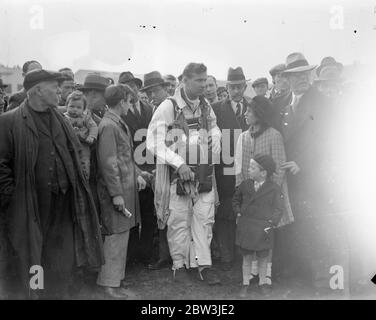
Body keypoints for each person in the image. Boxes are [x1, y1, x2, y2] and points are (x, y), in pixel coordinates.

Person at [0, 69, 104, 299]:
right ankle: (36, 293)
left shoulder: (61, 119)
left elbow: (75, 150)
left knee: (62, 257)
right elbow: (1, 166)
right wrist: (13, 197)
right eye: (54, 86)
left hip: (65, 202)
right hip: (31, 207)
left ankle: (56, 293)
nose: (60, 90)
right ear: (37, 90)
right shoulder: (9, 121)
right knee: (33, 256)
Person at [147, 62, 222, 285]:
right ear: (185, 80)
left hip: (204, 172)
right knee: (179, 219)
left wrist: (216, 137)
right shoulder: (168, 106)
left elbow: (215, 127)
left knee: (203, 219)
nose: (204, 85)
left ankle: (202, 265)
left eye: (205, 80)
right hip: (178, 176)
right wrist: (179, 163)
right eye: (198, 81)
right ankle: (179, 265)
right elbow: (153, 142)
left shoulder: (206, 105)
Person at [234, 95, 294, 288]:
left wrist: (267, 194)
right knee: (251, 232)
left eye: (249, 111)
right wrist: (246, 194)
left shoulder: (274, 135)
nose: (245, 114)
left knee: (266, 234)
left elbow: (279, 169)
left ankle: (265, 273)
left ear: (259, 114)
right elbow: (241, 170)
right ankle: (252, 271)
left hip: (269, 197)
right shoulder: (243, 137)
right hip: (250, 198)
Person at [96, 84, 146, 299]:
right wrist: (116, 194)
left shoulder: (116, 123)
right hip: (117, 192)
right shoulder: (109, 126)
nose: (131, 104)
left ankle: (115, 279)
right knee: (115, 236)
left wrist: (140, 174)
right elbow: (109, 164)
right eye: (129, 100)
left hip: (124, 190)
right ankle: (108, 284)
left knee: (121, 234)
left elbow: (124, 158)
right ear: (121, 101)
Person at [211, 67, 250, 271]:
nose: (236, 91)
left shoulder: (252, 107)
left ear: (244, 86)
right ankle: (226, 255)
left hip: (247, 168)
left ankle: (244, 254)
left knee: (246, 209)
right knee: (225, 211)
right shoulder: (216, 108)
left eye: (239, 86)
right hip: (224, 168)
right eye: (232, 87)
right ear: (227, 87)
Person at [118, 71, 158, 267]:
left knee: (149, 213)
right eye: (126, 86)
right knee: (131, 215)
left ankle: (146, 253)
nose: (131, 89)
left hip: (150, 168)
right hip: (130, 168)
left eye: (134, 85)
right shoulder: (120, 114)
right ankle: (131, 256)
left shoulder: (149, 109)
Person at [233, 154, 283, 297]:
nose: (248, 170)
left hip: (263, 229)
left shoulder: (274, 188)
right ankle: (245, 283)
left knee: (263, 258)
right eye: (249, 167)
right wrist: (238, 213)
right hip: (247, 226)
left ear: (263, 173)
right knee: (247, 257)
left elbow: (279, 208)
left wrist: (272, 223)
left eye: (252, 167)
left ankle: (263, 283)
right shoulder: (245, 185)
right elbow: (235, 199)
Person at [64, 90, 98, 179]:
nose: (75, 109)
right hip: (69, 145)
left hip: (83, 145)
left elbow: (93, 127)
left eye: (79, 107)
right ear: (66, 106)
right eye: (71, 106)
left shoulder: (85, 117)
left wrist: (91, 136)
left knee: (85, 160)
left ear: (84, 109)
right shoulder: (64, 117)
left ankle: (85, 177)